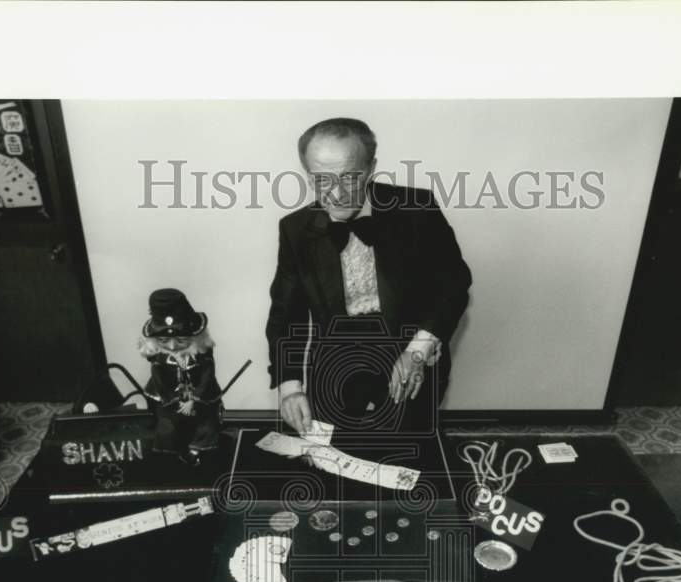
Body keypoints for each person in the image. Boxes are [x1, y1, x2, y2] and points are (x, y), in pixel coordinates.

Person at [265, 117, 471, 435]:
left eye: (349, 178)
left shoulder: (418, 210)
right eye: (320, 179)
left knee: (409, 454)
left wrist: (417, 352)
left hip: (408, 349)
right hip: (334, 359)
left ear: (371, 168)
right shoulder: (295, 230)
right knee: (330, 461)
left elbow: (454, 285)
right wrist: (290, 386)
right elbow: (285, 314)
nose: (335, 194)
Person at [138, 288, 223, 462]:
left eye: (181, 340)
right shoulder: (158, 358)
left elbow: (208, 377)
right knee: (167, 426)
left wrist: (195, 399)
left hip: (200, 399)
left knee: (207, 423)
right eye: (163, 340)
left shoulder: (202, 354)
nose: (171, 346)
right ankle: (170, 456)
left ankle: (196, 451)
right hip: (168, 400)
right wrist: (175, 401)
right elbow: (159, 381)